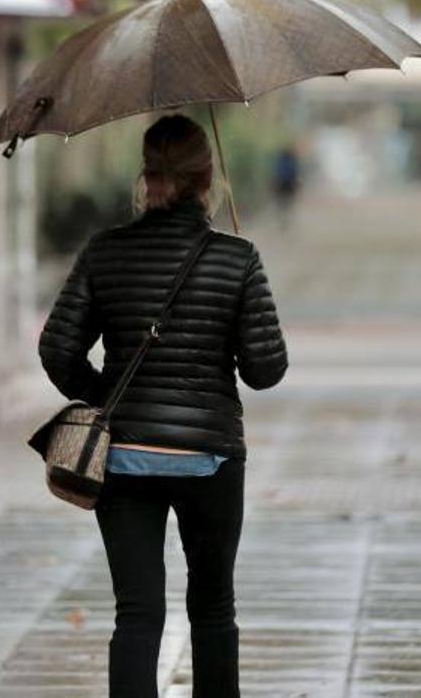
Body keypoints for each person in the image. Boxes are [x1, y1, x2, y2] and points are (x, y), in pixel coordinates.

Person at [39, 114, 288, 698]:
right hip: (210, 459)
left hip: (124, 459)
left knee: (137, 611)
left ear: (145, 176)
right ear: (208, 180)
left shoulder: (105, 252)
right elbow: (265, 370)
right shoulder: (237, 257)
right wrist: (242, 280)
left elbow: (56, 347)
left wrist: (105, 396)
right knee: (212, 605)